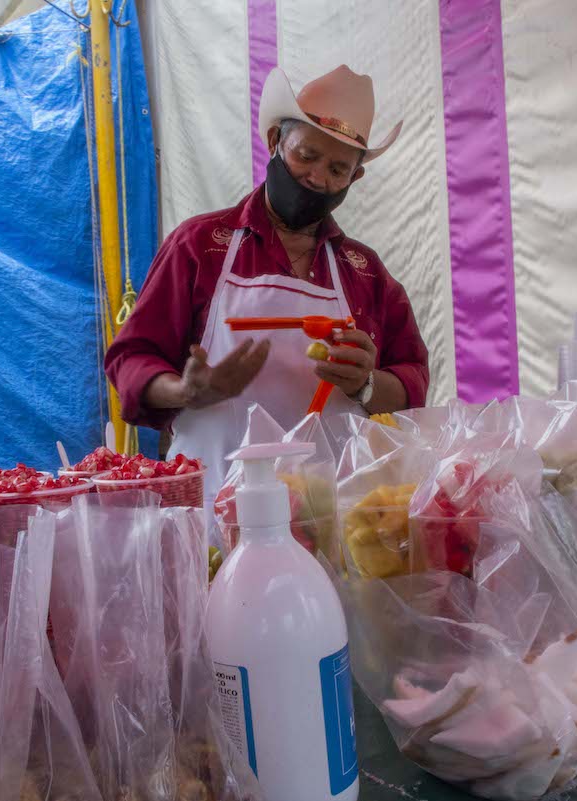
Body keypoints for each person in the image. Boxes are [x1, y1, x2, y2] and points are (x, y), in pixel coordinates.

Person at [105, 64, 429, 508]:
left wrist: (366, 385)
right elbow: (130, 358)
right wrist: (184, 391)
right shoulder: (201, 245)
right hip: (213, 507)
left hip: (332, 515)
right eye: (306, 155)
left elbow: (412, 379)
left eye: (338, 169)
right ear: (276, 142)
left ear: (355, 179)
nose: (318, 178)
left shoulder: (365, 271)